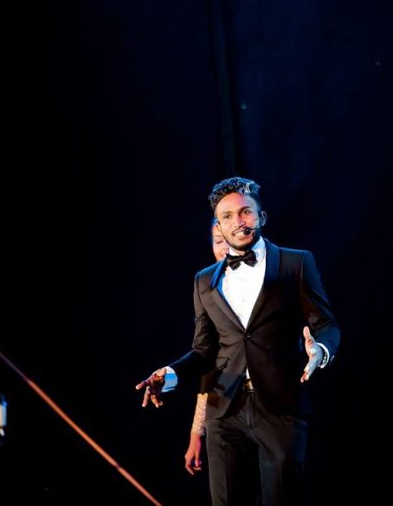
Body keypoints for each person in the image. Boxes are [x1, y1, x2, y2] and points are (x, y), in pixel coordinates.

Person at [136, 176, 341, 506]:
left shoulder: (296, 263)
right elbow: (204, 350)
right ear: (218, 225)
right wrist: (170, 375)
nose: (238, 221)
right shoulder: (204, 281)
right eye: (227, 216)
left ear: (261, 216)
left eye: (245, 212)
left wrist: (321, 349)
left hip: (280, 406)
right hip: (224, 409)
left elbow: (326, 324)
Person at [184, 219, 228, 476]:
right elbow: (206, 360)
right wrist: (196, 432)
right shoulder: (207, 286)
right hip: (224, 409)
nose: (224, 248)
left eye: (229, 240)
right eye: (218, 241)